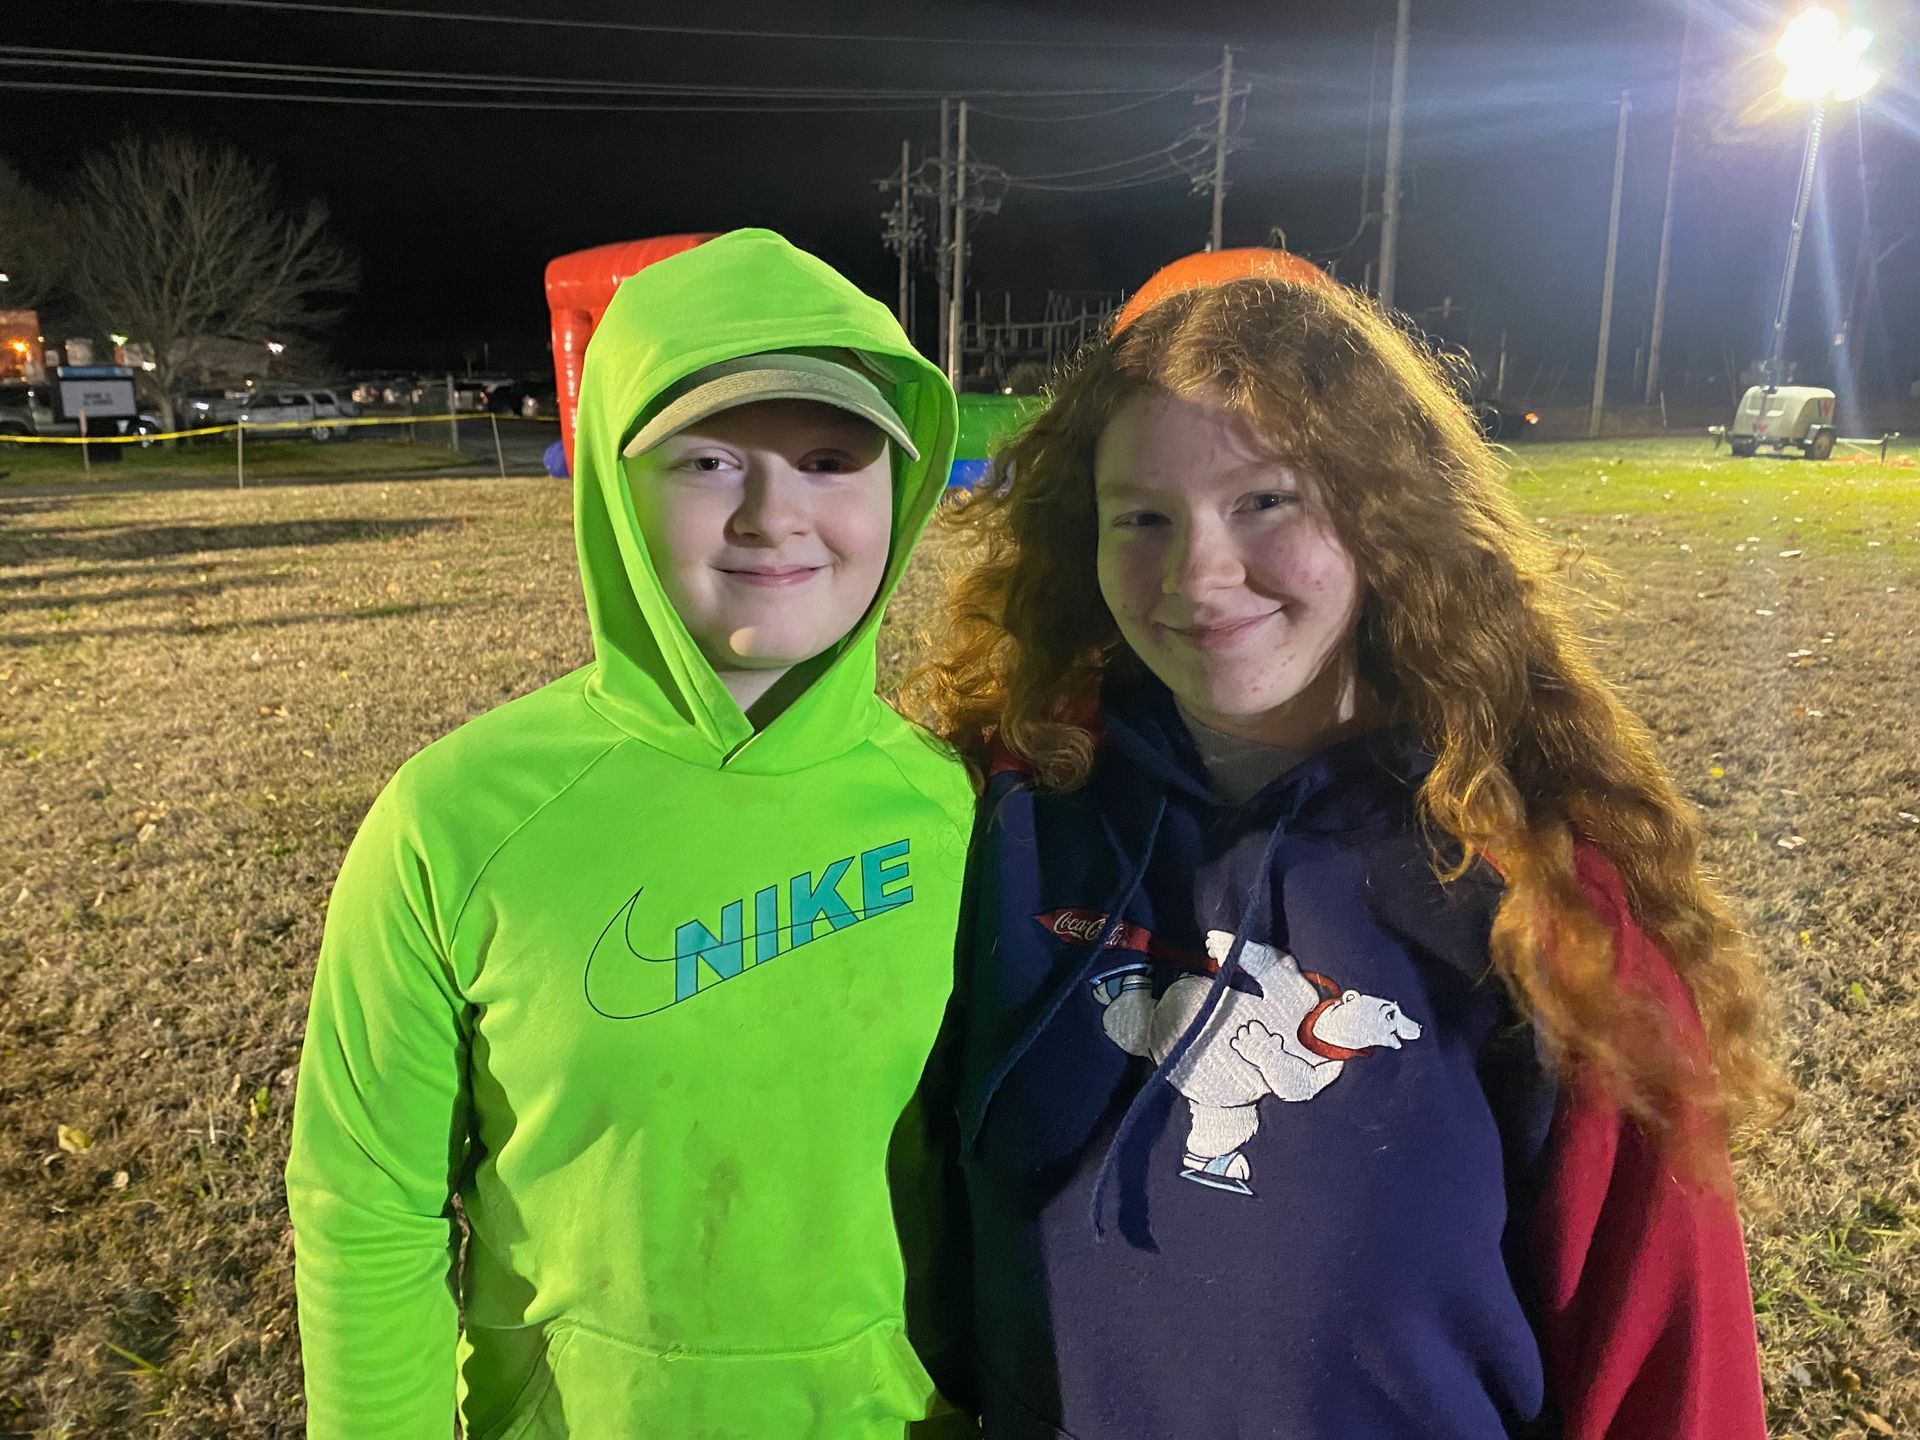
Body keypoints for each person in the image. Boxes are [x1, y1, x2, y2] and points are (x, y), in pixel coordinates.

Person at [909, 258, 1786, 1439]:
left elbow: (1667, 1375)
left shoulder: (1540, 913)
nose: (1199, 575)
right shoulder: (1017, 817)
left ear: (1383, 515)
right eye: (1144, 518)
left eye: (1266, 501)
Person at [287, 228, 974, 1439]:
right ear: (612, 480)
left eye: (829, 459)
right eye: (708, 461)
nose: (775, 515)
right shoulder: (457, 816)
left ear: (900, 494)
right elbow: (366, 1202)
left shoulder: (961, 812)